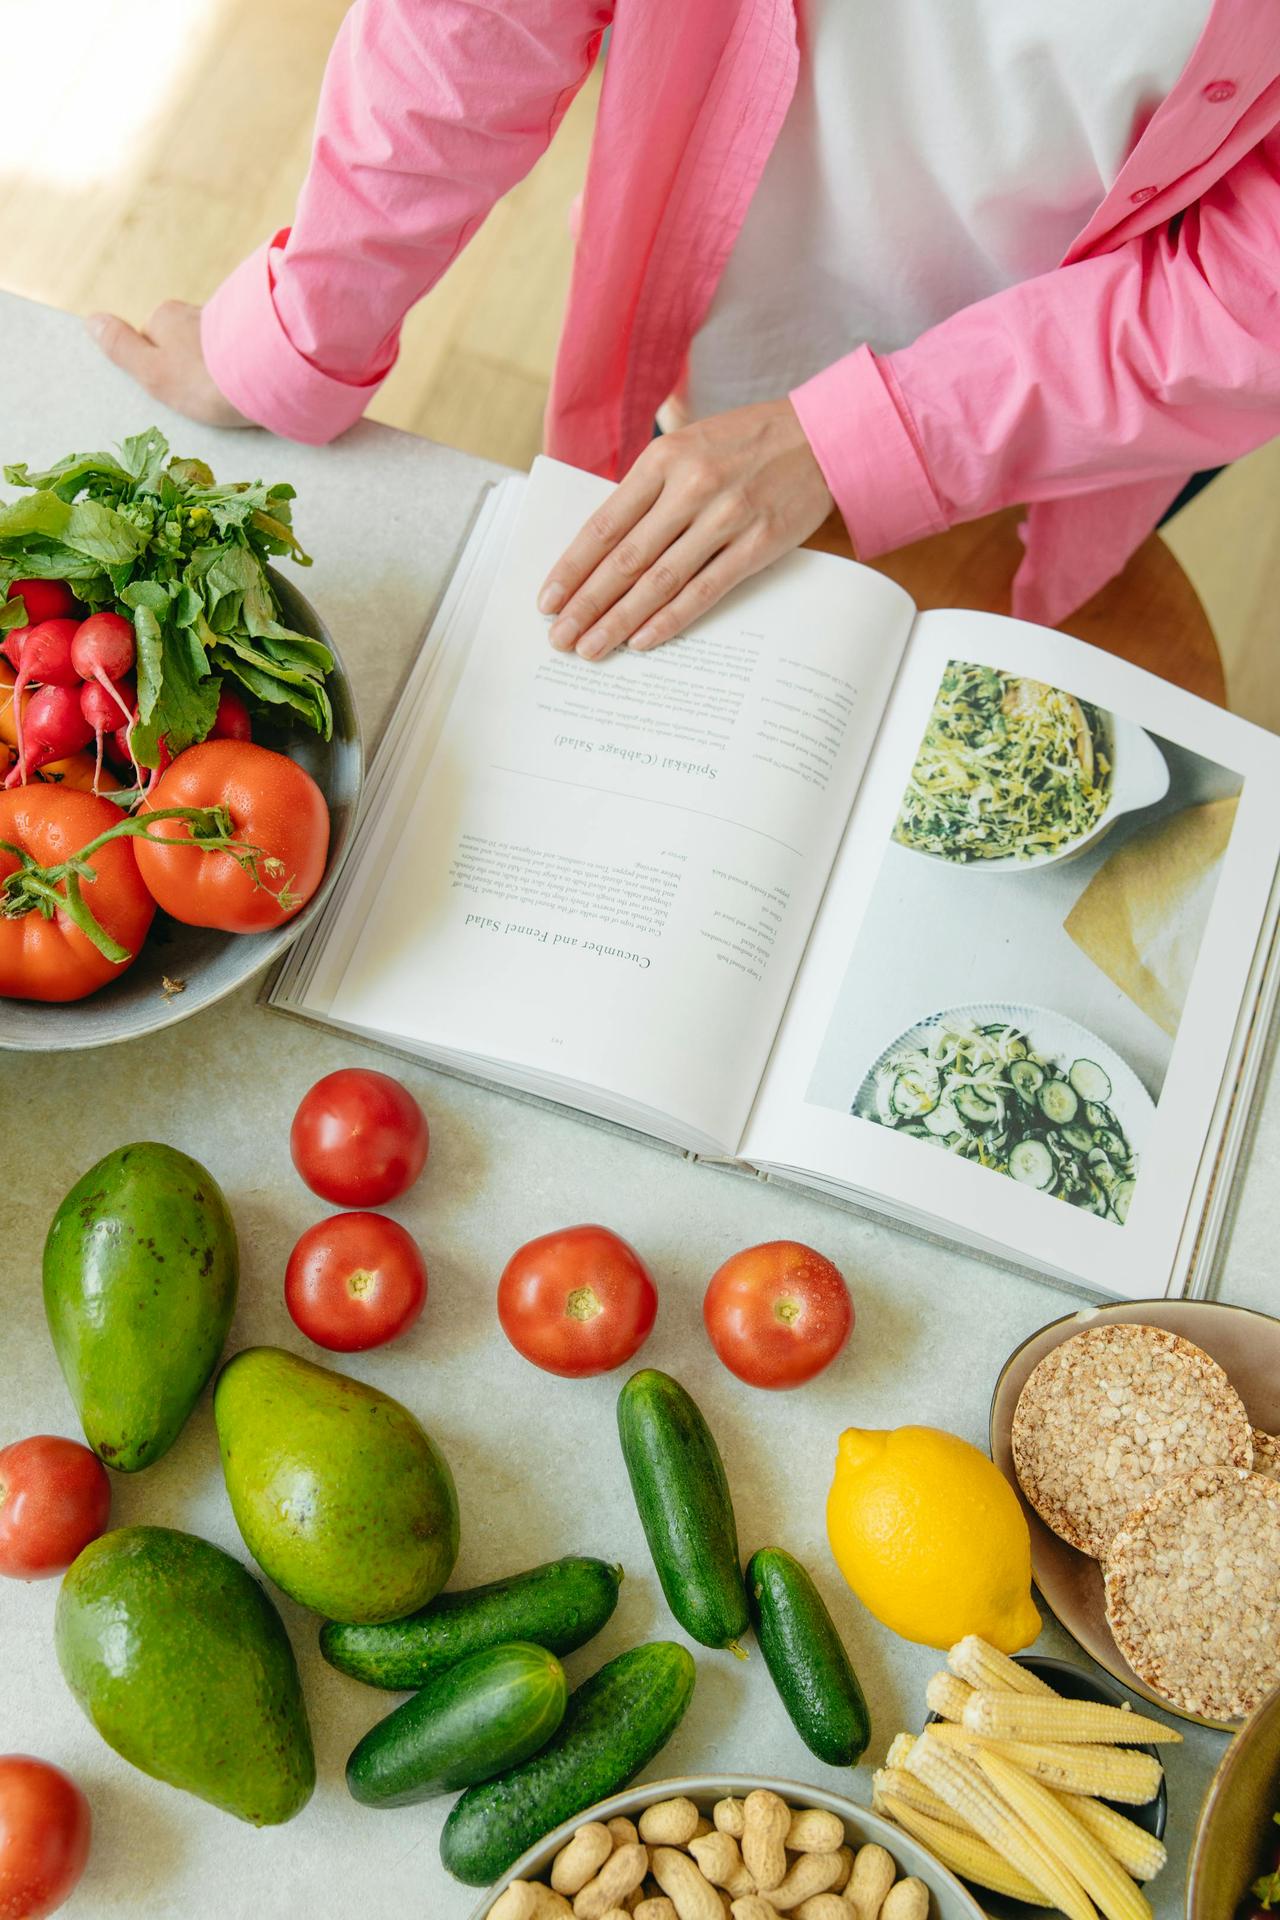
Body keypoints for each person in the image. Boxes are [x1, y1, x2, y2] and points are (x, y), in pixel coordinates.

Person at [89, 2, 1280, 663]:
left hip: (1090, 393)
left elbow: (1251, 293)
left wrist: (854, 442)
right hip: (737, 280)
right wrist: (300, 330)